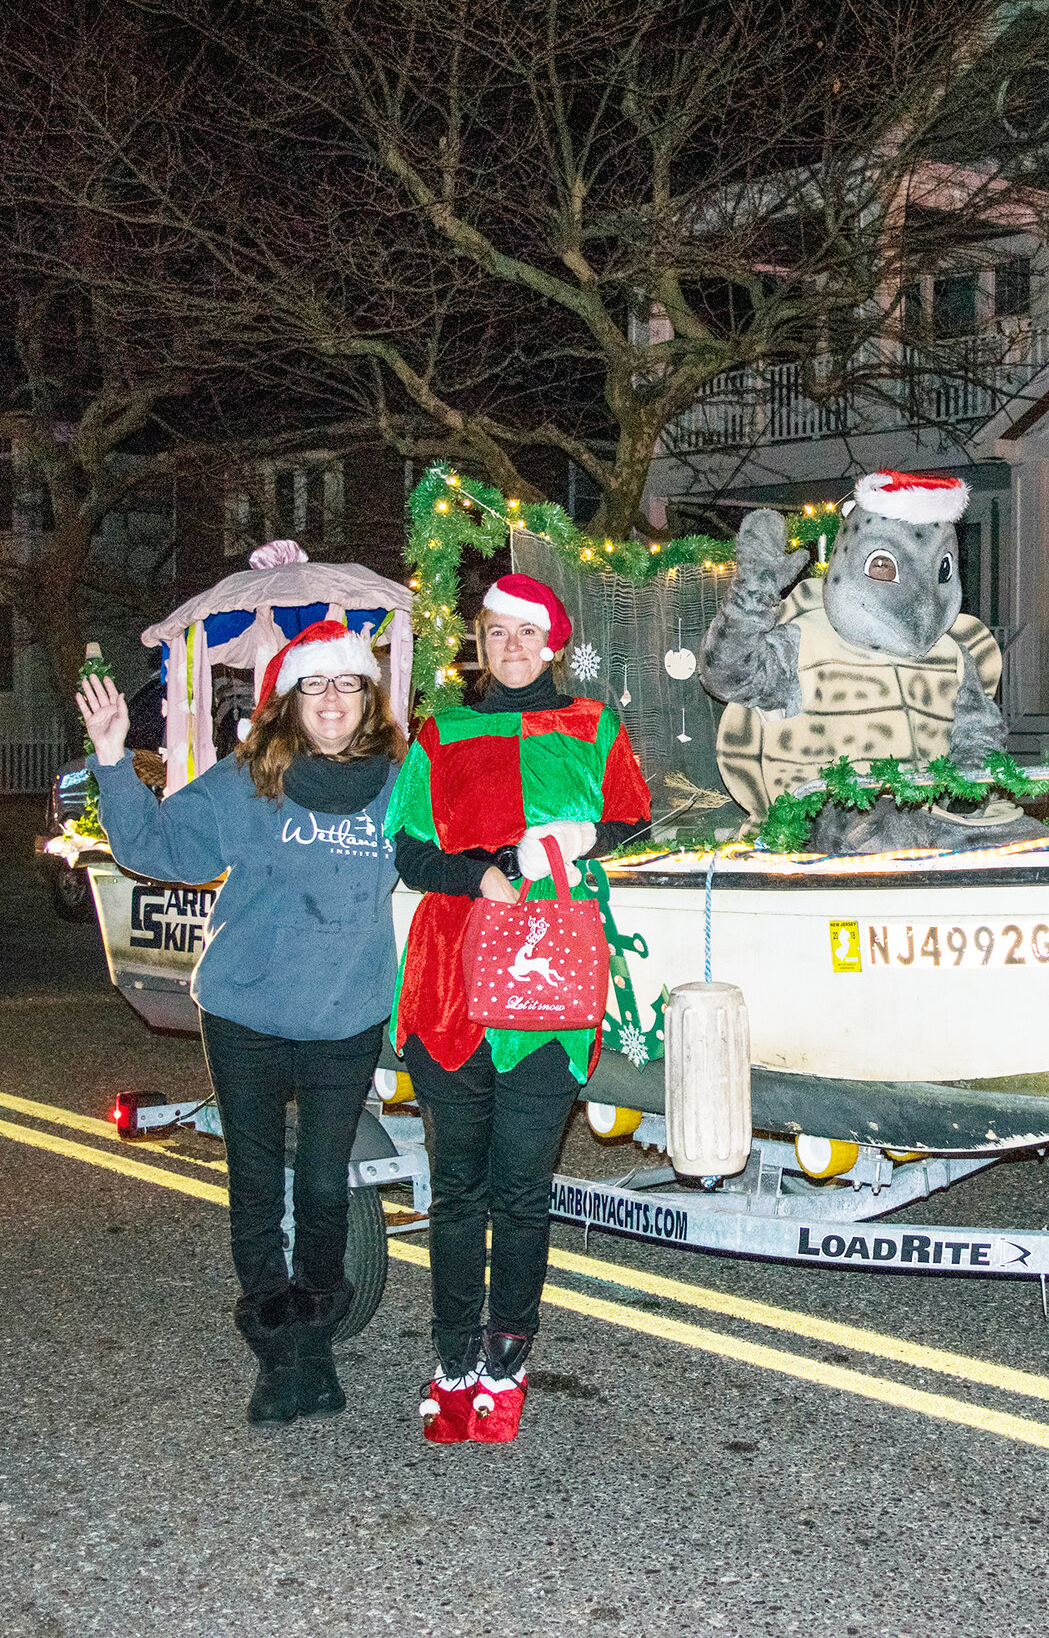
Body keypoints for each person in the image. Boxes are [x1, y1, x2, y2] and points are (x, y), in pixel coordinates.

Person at [76, 620, 405, 1426]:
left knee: (327, 1184)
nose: (332, 699)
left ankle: (313, 1343)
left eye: (348, 684)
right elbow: (157, 846)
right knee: (257, 1184)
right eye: (316, 684)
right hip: (246, 1011)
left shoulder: (402, 782)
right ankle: (283, 1355)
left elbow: (455, 843)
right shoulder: (250, 777)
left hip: (345, 1014)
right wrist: (115, 760)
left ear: (370, 699)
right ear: (292, 699)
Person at [388, 573, 649, 1445]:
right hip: (450, 978)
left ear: (553, 642)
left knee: (522, 1188)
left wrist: (580, 840)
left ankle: (508, 1361)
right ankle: (453, 1360)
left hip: (547, 979)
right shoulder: (442, 731)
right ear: (480, 640)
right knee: (457, 1185)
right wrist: (479, 873)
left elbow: (635, 819)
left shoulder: (590, 727)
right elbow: (409, 847)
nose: (510, 645)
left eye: (524, 632)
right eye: (494, 630)